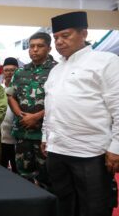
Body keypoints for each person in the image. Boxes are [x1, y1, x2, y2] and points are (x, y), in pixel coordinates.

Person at [42, 11, 119, 216]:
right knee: (64, 205)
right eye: (56, 37)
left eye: (65, 35)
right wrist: (45, 137)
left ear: (83, 33)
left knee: (93, 208)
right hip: (57, 151)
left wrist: (116, 147)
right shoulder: (56, 70)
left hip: (90, 153)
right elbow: (50, 106)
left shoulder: (106, 61)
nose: (59, 42)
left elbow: (118, 106)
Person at [6, 32, 57, 188]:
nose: (34, 50)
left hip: (46, 136)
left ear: (49, 48)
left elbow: (59, 101)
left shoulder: (57, 70)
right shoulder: (20, 72)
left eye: (40, 46)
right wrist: (21, 115)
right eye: (31, 46)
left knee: (47, 177)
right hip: (23, 132)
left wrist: (36, 117)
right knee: (23, 176)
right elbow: (11, 96)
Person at [0, 57, 19, 173]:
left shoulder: (22, 89)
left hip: (17, 140)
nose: (9, 73)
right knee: (0, 169)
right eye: (6, 70)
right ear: (3, 72)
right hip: (1, 138)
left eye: (12, 70)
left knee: (17, 171)